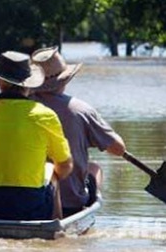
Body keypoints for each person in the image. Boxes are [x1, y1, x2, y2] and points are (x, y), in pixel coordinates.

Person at [0, 51, 73, 220]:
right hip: (28, 207)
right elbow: (65, 166)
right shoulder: (45, 115)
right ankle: (55, 232)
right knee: (52, 171)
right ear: (29, 85)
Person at [31, 46, 126, 217]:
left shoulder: (21, 107)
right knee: (94, 167)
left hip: (28, 198)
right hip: (69, 205)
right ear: (65, 79)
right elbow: (119, 149)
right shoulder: (80, 110)